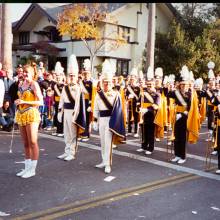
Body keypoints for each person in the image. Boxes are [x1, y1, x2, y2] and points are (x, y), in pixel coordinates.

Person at [93, 60, 126, 174]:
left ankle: (108, 164)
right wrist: (95, 121)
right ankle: (103, 160)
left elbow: (118, 110)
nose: (106, 84)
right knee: (102, 141)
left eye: (108, 82)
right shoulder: (98, 94)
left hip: (110, 121)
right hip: (102, 120)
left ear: (111, 83)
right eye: (104, 82)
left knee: (108, 143)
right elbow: (96, 108)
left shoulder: (116, 94)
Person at [15, 64, 43, 178]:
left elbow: (41, 102)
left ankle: (32, 169)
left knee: (32, 142)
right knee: (25, 143)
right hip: (21, 114)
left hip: (31, 114)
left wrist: (24, 102)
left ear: (32, 73)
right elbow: (20, 98)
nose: (25, 74)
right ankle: (26, 168)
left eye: (27, 72)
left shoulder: (34, 84)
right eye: (24, 72)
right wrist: (18, 102)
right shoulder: (21, 84)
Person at [57, 54, 86, 161]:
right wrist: (60, 113)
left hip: (73, 113)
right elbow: (61, 101)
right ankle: (66, 151)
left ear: (76, 76)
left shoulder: (78, 88)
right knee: (66, 133)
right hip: (66, 112)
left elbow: (78, 103)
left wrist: (75, 114)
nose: (72, 77)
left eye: (73, 75)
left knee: (73, 134)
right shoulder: (65, 87)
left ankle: (72, 153)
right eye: (70, 75)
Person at [137, 67, 161, 155]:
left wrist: (147, 109)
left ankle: (150, 148)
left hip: (152, 115)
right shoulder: (143, 93)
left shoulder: (157, 94)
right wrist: (139, 107)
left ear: (154, 85)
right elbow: (139, 101)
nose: (149, 86)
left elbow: (156, 105)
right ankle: (143, 146)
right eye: (148, 85)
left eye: (150, 85)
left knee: (150, 132)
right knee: (143, 132)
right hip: (143, 114)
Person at [79, 59, 96, 141]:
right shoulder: (81, 82)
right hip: (81, 101)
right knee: (82, 118)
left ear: (90, 74)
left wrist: (90, 104)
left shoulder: (91, 83)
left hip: (87, 102)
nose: (86, 75)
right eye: (84, 74)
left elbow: (93, 94)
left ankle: (86, 134)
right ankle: (82, 133)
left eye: (87, 74)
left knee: (87, 119)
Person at [125, 67, 141, 137]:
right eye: (131, 79)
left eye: (133, 79)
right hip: (129, 103)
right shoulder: (128, 87)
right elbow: (126, 95)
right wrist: (128, 97)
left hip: (136, 104)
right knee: (129, 118)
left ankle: (136, 132)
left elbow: (140, 97)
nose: (132, 80)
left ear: (135, 79)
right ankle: (129, 131)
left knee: (136, 117)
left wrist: (138, 101)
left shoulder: (138, 87)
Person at [51, 62, 65, 137]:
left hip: (61, 103)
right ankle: (58, 130)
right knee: (56, 116)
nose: (58, 78)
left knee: (61, 116)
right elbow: (52, 93)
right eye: (57, 77)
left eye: (59, 77)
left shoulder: (64, 85)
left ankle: (61, 131)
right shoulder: (54, 85)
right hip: (56, 102)